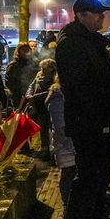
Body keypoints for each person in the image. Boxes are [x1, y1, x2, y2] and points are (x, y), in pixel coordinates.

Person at [54, 0, 110, 219]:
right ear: (81, 15)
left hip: (102, 119)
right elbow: (80, 87)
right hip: (90, 122)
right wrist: (98, 116)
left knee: (103, 170)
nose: (102, 17)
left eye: (102, 14)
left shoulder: (93, 42)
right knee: (87, 177)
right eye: (97, 14)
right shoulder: (72, 44)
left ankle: (98, 216)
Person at [46, 76, 77, 208]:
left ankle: (72, 205)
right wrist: (71, 144)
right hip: (66, 144)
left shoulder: (64, 94)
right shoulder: (58, 97)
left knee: (72, 174)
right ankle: (68, 206)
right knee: (68, 175)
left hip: (70, 142)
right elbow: (60, 125)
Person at [24, 58, 58, 160]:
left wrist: (35, 96)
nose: (42, 69)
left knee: (53, 128)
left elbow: (51, 91)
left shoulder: (55, 76)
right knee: (43, 128)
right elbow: (32, 84)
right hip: (39, 105)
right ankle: (44, 149)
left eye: (44, 68)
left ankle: (54, 151)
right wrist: (29, 94)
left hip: (50, 105)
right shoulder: (39, 74)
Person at [4, 43, 39, 109]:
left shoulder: (34, 63)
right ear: (18, 51)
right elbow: (9, 81)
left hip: (31, 95)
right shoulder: (14, 65)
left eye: (28, 50)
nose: (26, 52)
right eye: (23, 50)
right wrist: (18, 91)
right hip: (19, 97)